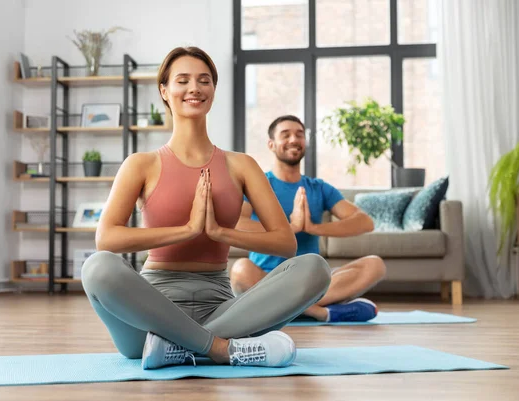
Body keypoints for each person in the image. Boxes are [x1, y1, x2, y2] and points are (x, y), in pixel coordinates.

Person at [81, 47, 332, 370]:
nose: (194, 88)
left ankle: (177, 347)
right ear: (164, 91)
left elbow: (286, 243)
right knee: (97, 267)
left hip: (225, 309)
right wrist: (187, 230)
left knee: (315, 268)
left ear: (213, 90)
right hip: (149, 313)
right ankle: (218, 348)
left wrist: (219, 232)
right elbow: (107, 239)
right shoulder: (141, 164)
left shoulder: (241, 165)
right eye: (182, 80)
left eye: (204, 80)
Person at [230, 115, 387, 323]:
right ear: (271, 144)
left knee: (375, 265)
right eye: (285, 135)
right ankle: (319, 312)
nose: (294, 140)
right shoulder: (258, 184)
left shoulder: (318, 188)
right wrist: (290, 227)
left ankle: (287, 308)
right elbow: (237, 223)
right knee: (240, 270)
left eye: (299, 135)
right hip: (267, 280)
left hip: (311, 281)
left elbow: (364, 222)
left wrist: (313, 227)